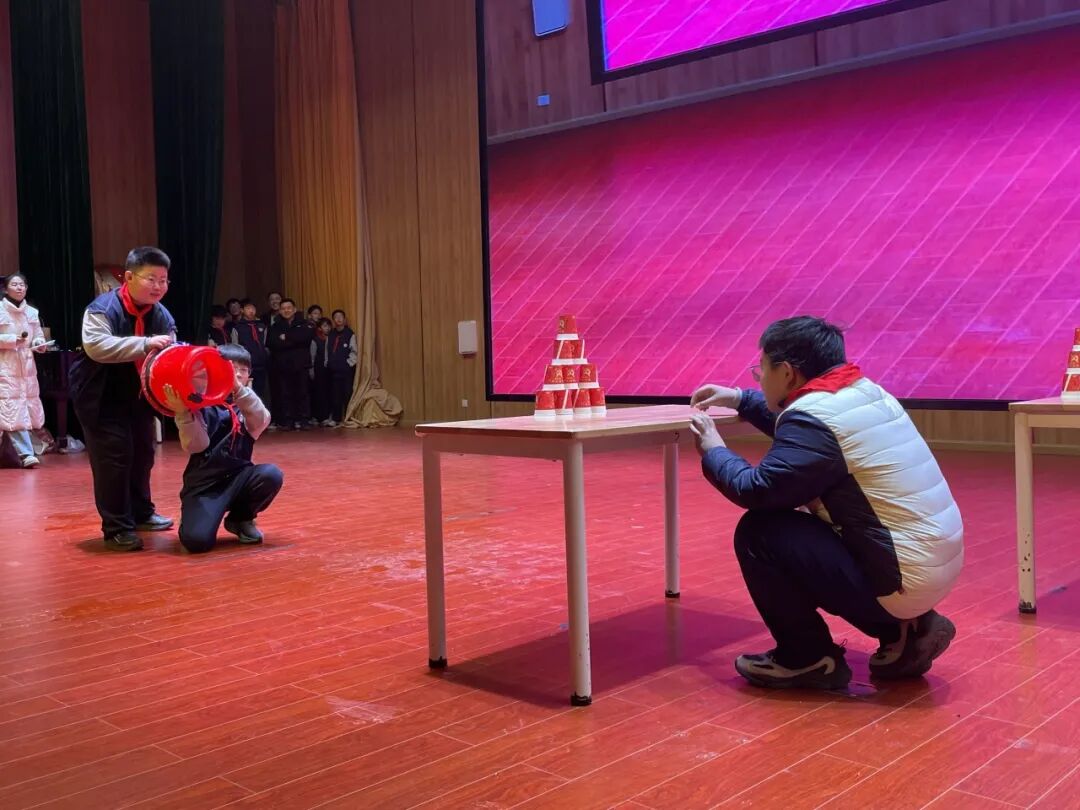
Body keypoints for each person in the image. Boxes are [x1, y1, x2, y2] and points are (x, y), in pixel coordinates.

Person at [687, 316, 962, 690]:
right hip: (930, 567)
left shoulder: (815, 419)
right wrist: (739, 399)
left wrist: (713, 449)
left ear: (787, 373)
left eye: (761, 370)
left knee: (761, 532)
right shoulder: (862, 393)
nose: (759, 379)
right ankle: (907, 629)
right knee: (804, 528)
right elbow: (801, 431)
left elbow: (757, 490)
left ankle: (806, 658)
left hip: (902, 580)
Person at [69, 247, 176, 551]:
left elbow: (170, 351)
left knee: (143, 453)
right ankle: (116, 527)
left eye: (164, 280)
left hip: (139, 395)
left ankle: (142, 513)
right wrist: (145, 343)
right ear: (128, 277)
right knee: (114, 458)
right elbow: (96, 346)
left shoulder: (161, 313)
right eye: (151, 279)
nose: (158, 286)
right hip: (99, 394)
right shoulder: (101, 308)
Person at [166, 344, 283, 553]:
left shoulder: (247, 405)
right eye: (231, 368)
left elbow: (262, 420)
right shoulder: (199, 404)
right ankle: (194, 515)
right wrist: (183, 413)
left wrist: (237, 389)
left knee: (271, 474)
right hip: (205, 485)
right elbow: (196, 445)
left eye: (243, 370)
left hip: (239, 479)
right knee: (197, 542)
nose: (237, 374)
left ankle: (240, 519)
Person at [0, 273, 49, 468]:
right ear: (6, 289)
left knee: (21, 409)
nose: (20, 288)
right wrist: (13, 340)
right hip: (5, 366)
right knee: (10, 408)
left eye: (22, 285)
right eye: (15, 284)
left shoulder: (32, 312)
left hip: (27, 368)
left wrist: (39, 343)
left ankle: (18, 453)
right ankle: (26, 453)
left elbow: (38, 336)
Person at [267, 298, 313, 431]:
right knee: (285, 394)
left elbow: (306, 338)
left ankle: (304, 420)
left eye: (289, 308)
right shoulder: (275, 326)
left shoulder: (304, 323)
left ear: (294, 309)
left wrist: (286, 337)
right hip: (283, 365)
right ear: (280, 311)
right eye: (283, 308)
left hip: (301, 364)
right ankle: (288, 420)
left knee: (303, 393)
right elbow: (273, 343)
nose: (286, 310)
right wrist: (294, 340)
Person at [230, 298, 270, 406]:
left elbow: (265, 344)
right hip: (246, 365)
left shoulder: (262, 326)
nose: (251, 311)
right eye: (248, 308)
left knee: (261, 391)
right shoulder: (238, 328)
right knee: (247, 391)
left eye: (253, 308)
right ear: (242, 310)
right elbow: (235, 347)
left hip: (261, 363)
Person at [327, 309, 357, 425]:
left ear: (344, 319)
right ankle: (336, 418)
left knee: (347, 393)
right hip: (333, 370)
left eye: (340, 317)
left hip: (346, 370)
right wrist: (327, 362)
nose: (338, 319)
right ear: (333, 320)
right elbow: (327, 350)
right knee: (335, 395)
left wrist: (349, 364)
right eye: (336, 317)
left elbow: (354, 351)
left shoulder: (350, 334)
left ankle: (348, 418)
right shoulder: (331, 334)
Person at [310, 317, 332, 426]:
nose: (327, 328)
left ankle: (328, 415)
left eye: (328, 326)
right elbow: (312, 357)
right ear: (319, 328)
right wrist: (311, 371)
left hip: (330, 370)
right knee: (319, 393)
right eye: (324, 326)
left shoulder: (332, 338)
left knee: (329, 393)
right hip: (319, 370)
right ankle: (319, 416)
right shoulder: (315, 340)